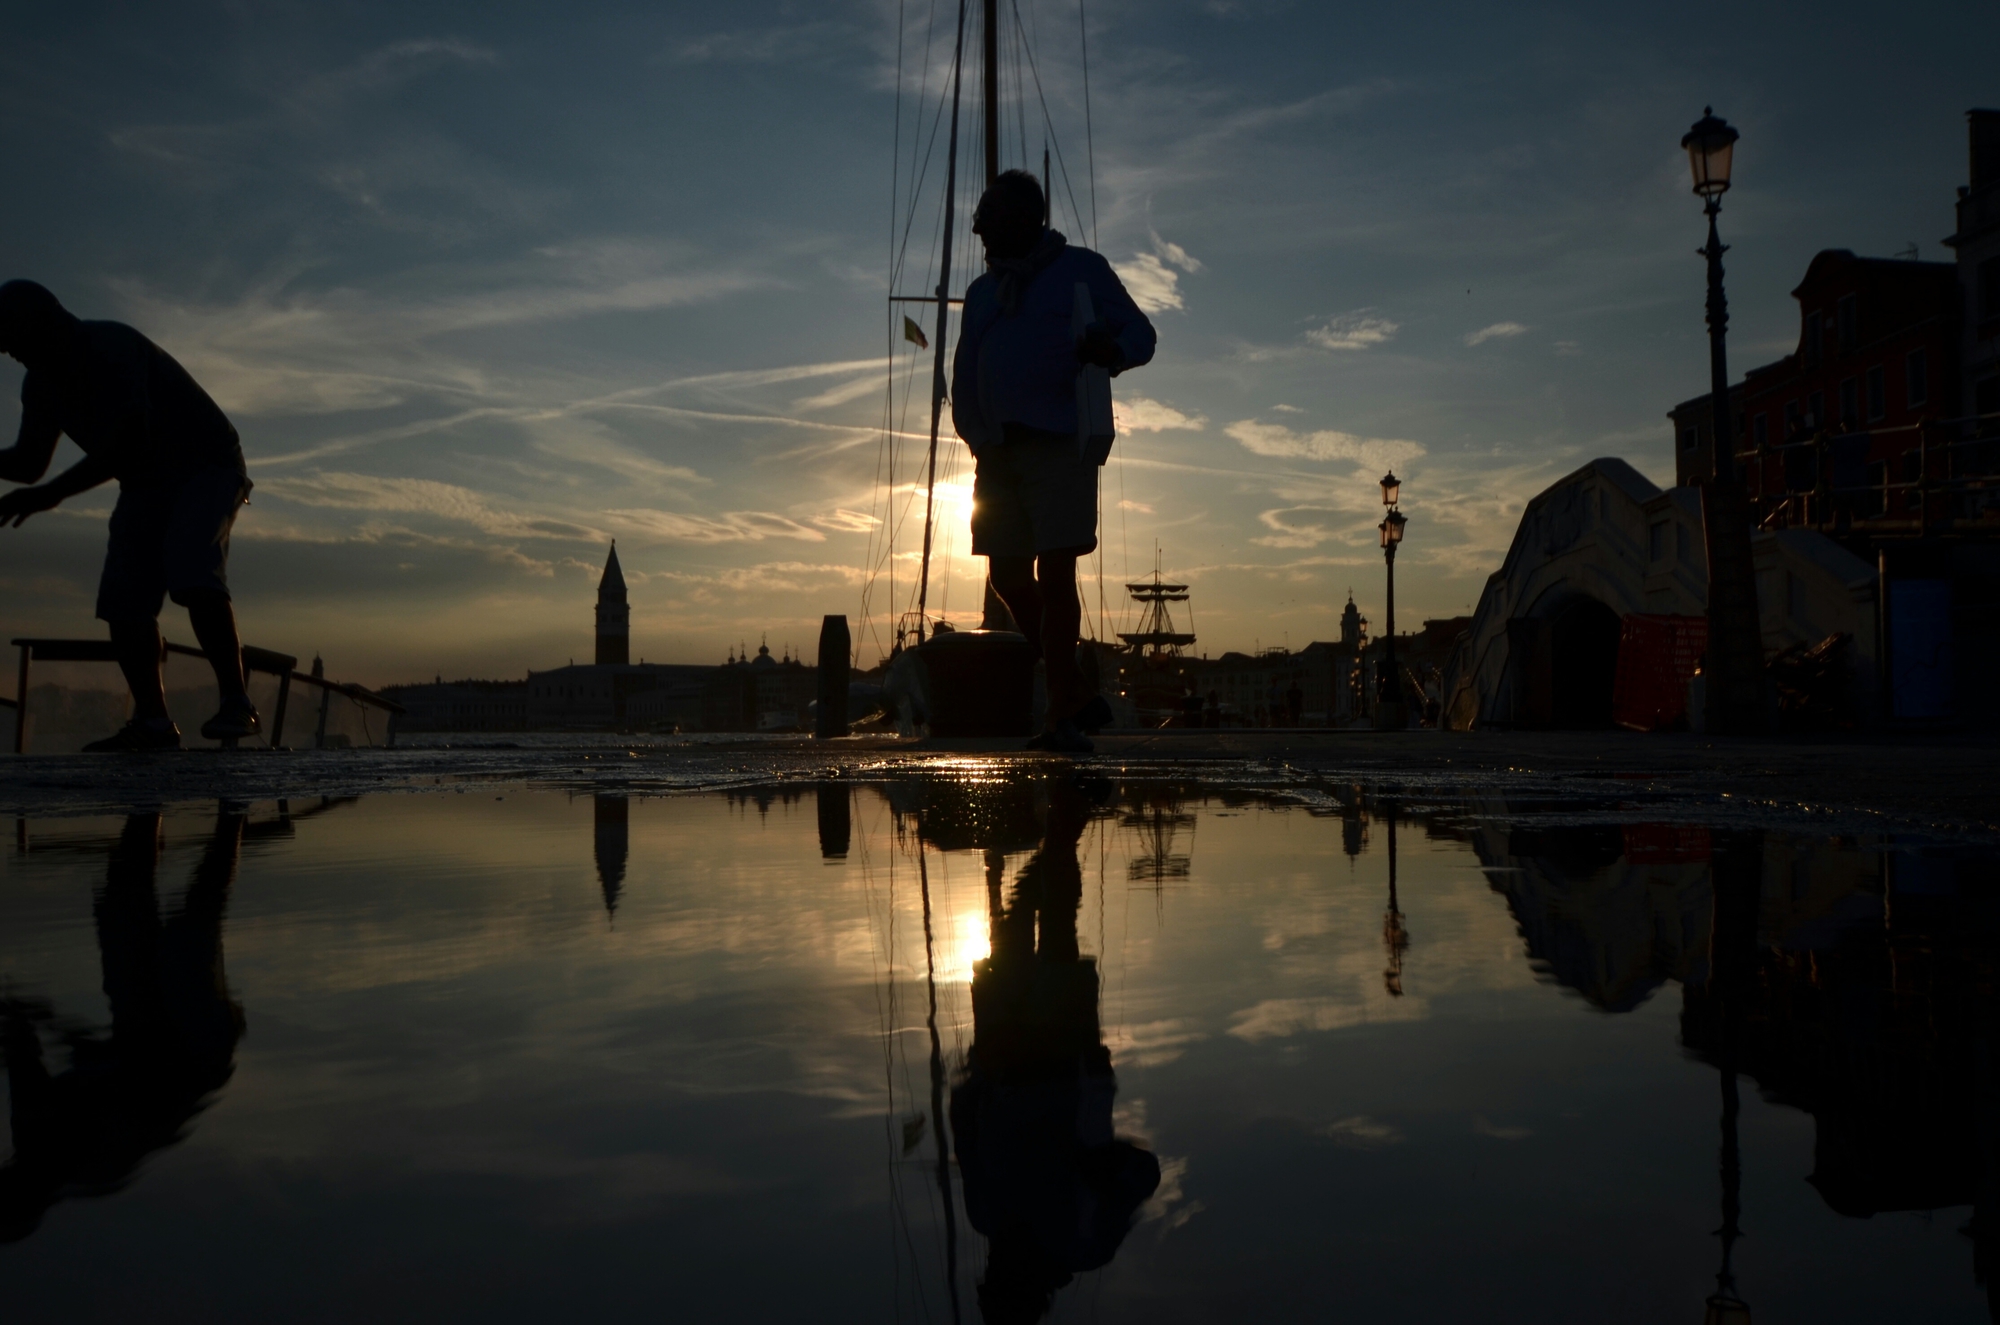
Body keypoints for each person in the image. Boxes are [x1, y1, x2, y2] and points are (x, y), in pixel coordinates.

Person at [0, 280, 258, 750]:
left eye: (11, 338)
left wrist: (50, 495)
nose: (7, 351)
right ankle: (154, 725)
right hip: (145, 481)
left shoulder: (111, 347)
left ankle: (237, 701)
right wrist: (37, 489)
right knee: (123, 598)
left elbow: (126, 440)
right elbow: (28, 462)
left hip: (207, 462)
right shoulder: (40, 383)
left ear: (45, 323)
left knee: (190, 566)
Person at [952, 171, 1155, 754]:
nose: (977, 225)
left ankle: (1059, 718)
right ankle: (1078, 689)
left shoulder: (1081, 270)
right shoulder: (984, 291)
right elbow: (967, 371)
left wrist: (1112, 351)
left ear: (1023, 218)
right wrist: (976, 437)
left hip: (1058, 445)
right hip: (994, 452)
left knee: (1056, 573)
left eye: (987, 214)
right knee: (1007, 576)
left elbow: (1141, 333)